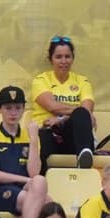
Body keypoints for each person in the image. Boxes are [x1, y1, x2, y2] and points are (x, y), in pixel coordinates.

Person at [0, 85, 47, 218]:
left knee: (40, 182)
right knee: (43, 204)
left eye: (17, 108)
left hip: (26, 188)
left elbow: (34, 172)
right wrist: (25, 180)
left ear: (23, 109)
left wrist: (34, 139)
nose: (13, 113)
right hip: (1, 190)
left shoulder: (30, 136)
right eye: (8, 108)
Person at [30, 35, 93, 169]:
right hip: (47, 131)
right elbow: (52, 106)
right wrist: (77, 111)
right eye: (58, 57)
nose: (63, 61)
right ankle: (39, 183)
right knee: (43, 139)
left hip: (70, 133)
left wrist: (62, 119)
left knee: (82, 115)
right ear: (50, 59)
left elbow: (86, 110)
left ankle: (84, 160)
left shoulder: (82, 81)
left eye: (67, 56)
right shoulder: (40, 80)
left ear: (72, 58)